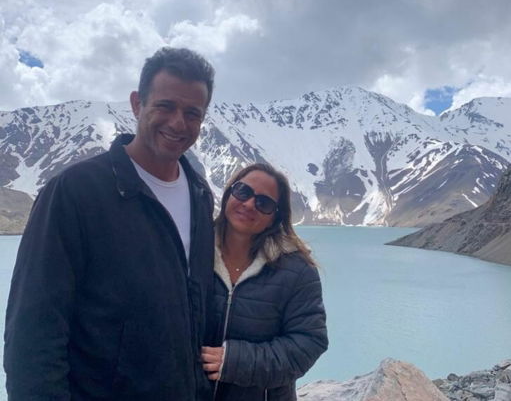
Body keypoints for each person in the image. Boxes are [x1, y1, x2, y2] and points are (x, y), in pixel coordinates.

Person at [4, 47, 216, 400]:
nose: (178, 123)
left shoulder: (200, 195)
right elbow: (33, 334)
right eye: (165, 106)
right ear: (136, 104)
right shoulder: (75, 192)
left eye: (192, 113)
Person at [201, 163, 328, 401]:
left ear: (274, 218)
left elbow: (309, 343)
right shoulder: (193, 251)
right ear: (229, 194)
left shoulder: (297, 270)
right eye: (243, 191)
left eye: (264, 203)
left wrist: (235, 362)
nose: (249, 204)